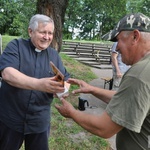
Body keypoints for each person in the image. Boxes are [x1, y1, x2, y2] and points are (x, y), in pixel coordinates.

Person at [55, 12, 150, 150]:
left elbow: (104, 128)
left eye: (119, 40)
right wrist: (92, 89)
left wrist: (72, 113)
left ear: (135, 37)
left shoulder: (138, 75)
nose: (116, 47)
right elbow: (126, 99)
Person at [0, 14, 70, 150]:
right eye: (43, 32)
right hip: (11, 118)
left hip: (39, 121)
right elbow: (7, 73)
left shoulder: (54, 55)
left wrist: (63, 90)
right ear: (30, 31)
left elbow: (65, 79)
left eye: (50, 33)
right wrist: (39, 84)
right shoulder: (16, 46)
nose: (47, 37)